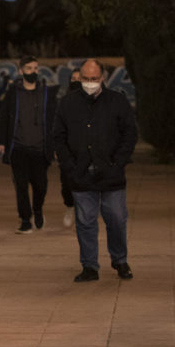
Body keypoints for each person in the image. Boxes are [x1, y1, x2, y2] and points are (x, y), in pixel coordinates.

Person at [53, 59, 138, 282]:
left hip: (111, 175)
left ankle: (120, 260)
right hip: (81, 174)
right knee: (85, 222)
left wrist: (117, 163)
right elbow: (58, 137)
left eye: (94, 79)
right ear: (79, 77)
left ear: (102, 78)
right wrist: (69, 165)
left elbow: (130, 134)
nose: (90, 83)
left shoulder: (117, 101)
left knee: (117, 219)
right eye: (86, 79)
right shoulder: (68, 103)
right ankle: (89, 265)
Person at [0, 56, 58, 233]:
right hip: (18, 148)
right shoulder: (12, 93)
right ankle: (25, 219)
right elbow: (4, 119)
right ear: (21, 71)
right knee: (21, 186)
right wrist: (1, 142)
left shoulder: (46, 93)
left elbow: (54, 121)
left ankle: (37, 209)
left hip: (40, 149)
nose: (33, 72)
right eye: (29, 68)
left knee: (41, 186)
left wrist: (54, 146)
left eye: (36, 68)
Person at [60, 68, 81, 228]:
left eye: (78, 79)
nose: (75, 82)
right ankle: (70, 206)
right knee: (67, 183)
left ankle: (83, 214)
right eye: (73, 79)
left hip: (86, 150)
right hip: (67, 150)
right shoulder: (63, 102)